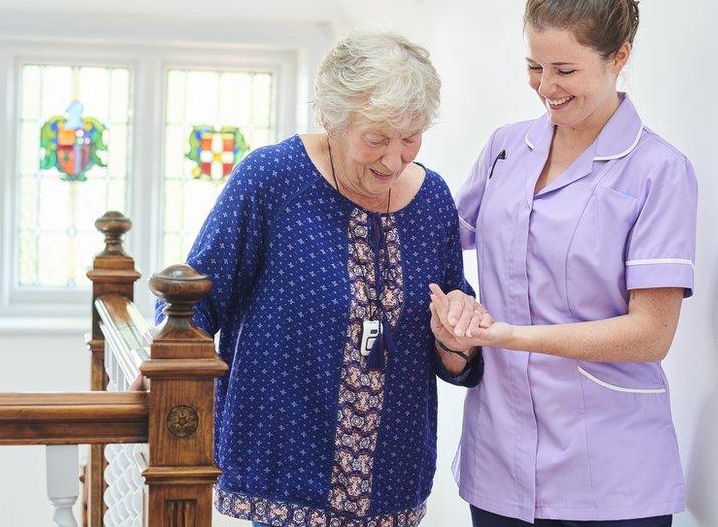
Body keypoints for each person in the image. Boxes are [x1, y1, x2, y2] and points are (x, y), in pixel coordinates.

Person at [156, 30, 485, 527]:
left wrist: (459, 339)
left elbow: (449, 326)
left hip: (392, 481)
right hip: (283, 470)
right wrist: (166, 368)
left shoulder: (433, 199)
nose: (394, 159)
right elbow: (195, 300)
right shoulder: (271, 179)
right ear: (332, 120)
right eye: (376, 138)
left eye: (410, 138)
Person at [429, 0, 698, 525]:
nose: (546, 86)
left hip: (611, 472)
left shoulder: (658, 170)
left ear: (620, 56)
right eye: (535, 67)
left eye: (566, 71)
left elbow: (652, 333)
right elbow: (433, 240)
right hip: (501, 462)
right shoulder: (506, 147)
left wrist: (506, 337)